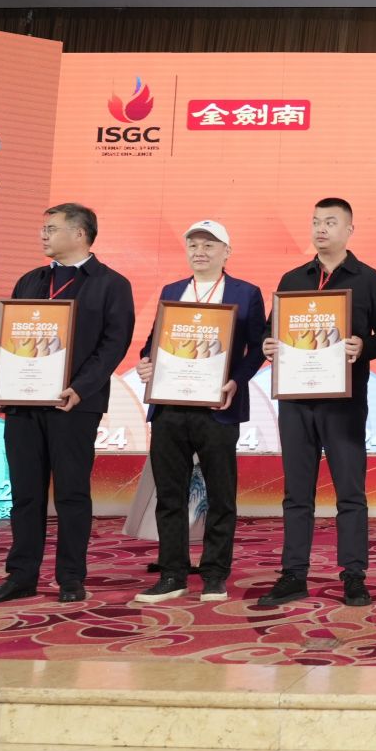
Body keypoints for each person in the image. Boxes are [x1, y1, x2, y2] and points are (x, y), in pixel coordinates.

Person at [0, 203, 135, 606]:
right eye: (43, 229)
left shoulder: (111, 284)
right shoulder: (31, 280)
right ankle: (21, 575)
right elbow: (5, 334)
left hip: (73, 405)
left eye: (51, 229)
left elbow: (114, 344)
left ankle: (71, 577)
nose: (43, 235)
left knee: (71, 493)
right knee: (25, 493)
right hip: (22, 403)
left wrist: (80, 388)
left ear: (79, 234)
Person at [257, 197, 376, 610]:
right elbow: (272, 331)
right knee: (296, 493)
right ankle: (293, 574)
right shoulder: (292, 278)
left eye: (331, 222)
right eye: (316, 221)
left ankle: (353, 575)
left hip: (344, 403)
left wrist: (363, 346)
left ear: (349, 230)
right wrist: (267, 345)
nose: (321, 228)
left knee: (350, 492)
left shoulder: (369, 279)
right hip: (297, 401)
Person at [132, 220, 266, 605]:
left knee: (220, 495)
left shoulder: (246, 293)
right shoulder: (172, 290)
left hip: (217, 408)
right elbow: (154, 341)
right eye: (193, 245)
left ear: (226, 252)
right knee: (169, 495)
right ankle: (172, 574)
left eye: (209, 245)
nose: (200, 252)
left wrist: (235, 381)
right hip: (170, 408)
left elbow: (257, 347)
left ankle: (214, 575)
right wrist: (146, 362)